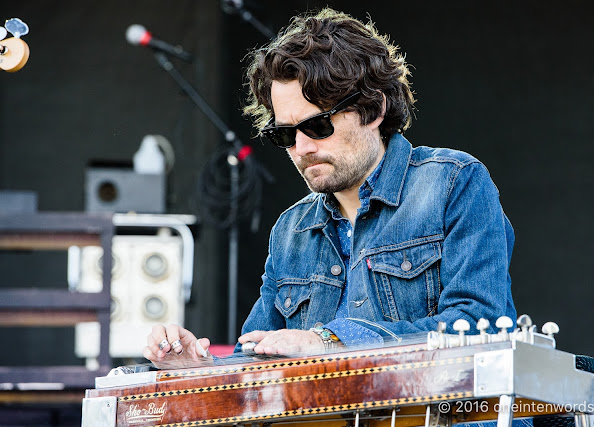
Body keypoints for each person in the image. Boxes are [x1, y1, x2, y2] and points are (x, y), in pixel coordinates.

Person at [144, 7, 516, 365]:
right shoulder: (290, 230)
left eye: (318, 126)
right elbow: (257, 360)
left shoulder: (453, 182)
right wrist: (201, 369)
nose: (302, 148)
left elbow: (479, 327)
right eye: (285, 134)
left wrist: (328, 341)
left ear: (375, 109)